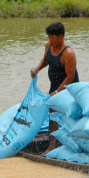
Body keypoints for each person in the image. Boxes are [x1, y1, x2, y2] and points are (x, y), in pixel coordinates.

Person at [31, 22, 80, 155]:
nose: (50, 41)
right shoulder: (49, 46)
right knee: (52, 114)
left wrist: (58, 92)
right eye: (49, 37)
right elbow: (46, 60)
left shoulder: (68, 53)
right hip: (54, 85)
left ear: (61, 37)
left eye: (53, 38)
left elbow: (70, 76)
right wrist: (37, 69)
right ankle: (52, 145)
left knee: (70, 115)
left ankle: (76, 143)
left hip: (68, 87)